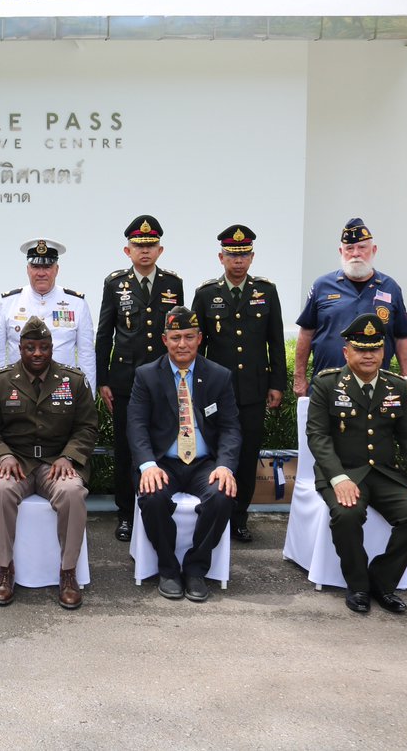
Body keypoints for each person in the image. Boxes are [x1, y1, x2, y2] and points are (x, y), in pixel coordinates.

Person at [305, 313, 407, 615]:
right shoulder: (327, 385)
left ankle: (382, 579)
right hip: (343, 473)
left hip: (384, 474)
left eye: (375, 349)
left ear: (383, 352)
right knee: (347, 515)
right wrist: (338, 478)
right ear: (346, 352)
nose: (368, 355)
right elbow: (318, 437)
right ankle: (359, 585)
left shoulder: (396, 387)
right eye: (361, 349)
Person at [0, 317, 99, 609]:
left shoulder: (74, 381)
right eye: (30, 347)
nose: (37, 353)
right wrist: (2, 454)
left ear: (52, 347)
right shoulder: (0, 381)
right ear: (20, 348)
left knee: (72, 493)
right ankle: (5, 571)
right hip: (14, 461)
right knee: (0, 491)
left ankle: (68, 573)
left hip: (56, 461)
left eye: (43, 347)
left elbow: (87, 427)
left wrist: (69, 456)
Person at [128, 306, 240, 603]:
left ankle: (195, 568)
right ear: (164, 340)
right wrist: (148, 465)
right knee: (152, 497)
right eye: (175, 337)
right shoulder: (147, 376)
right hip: (163, 462)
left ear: (199, 338)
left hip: (205, 464)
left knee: (222, 495)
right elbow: (136, 426)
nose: (182, 344)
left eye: (188, 336)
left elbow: (230, 428)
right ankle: (167, 568)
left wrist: (226, 466)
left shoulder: (218, 376)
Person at [190, 225, 286, 542]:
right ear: (221, 257)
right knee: (215, 453)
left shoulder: (265, 292)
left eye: (244, 254)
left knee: (245, 457)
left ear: (252, 256)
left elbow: (276, 342)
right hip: (216, 392)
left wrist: (277, 384)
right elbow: (195, 346)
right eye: (232, 254)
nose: (239, 261)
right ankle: (214, 510)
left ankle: (239, 518)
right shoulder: (206, 294)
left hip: (253, 392)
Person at [95, 215, 184, 542]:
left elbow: (179, 335)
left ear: (160, 250)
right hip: (125, 381)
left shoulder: (173, 284)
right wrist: (103, 378)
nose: (144, 251)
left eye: (149, 246)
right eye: (138, 246)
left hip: (163, 380)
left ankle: (155, 506)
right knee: (126, 448)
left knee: (160, 445)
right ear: (127, 250)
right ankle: (125, 514)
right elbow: (105, 335)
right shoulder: (115, 283)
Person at [294, 218, 407, 397]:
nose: (355, 253)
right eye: (349, 248)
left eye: (362, 247)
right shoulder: (322, 286)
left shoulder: (390, 288)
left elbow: (401, 338)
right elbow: (306, 333)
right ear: (341, 251)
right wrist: (299, 378)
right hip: (327, 387)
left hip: (374, 389)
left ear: (373, 250)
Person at [0, 238, 95, 389]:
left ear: (57, 269)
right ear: (27, 269)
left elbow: (86, 356)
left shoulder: (76, 303)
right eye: (36, 266)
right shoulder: (8, 302)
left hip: (63, 389)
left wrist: (87, 398)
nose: (41, 273)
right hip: (18, 389)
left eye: (47, 267)